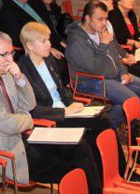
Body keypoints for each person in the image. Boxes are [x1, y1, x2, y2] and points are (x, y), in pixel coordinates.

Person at [0, 32, 102, 194]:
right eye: (4, 54)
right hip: (5, 152)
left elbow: (29, 104)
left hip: (23, 139)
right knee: (73, 168)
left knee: (80, 147)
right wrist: (27, 119)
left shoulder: (5, 74)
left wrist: (19, 77)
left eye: (11, 53)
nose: (10, 59)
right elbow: (8, 125)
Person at [17, 22, 131, 178]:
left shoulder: (48, 60)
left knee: (101, 123)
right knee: (100, 124)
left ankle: (117, 172)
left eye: (48, 39)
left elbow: (61, 90)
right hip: (52, 118)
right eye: (43, 41)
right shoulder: (23, 70)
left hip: (66, 110)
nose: (49, 44)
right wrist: (64, 111)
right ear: (30, 45)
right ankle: (116, 174)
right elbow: (32, 109)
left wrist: (73, 103)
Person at [66, 2, 140, 127]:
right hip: (89, 80)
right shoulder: (77, 40)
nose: (104, 23)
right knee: (131, 100)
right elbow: (94, 68)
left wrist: (123, 72)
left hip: (108, 75)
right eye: (100, 19)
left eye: (106, 19)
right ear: (88, 18)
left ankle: (110, 123)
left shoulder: (99, 31)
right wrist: (103, 45)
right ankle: (104, 128)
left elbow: (115, 54)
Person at [0, 0, 65, 59]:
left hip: (49, 42)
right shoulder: (8, 11)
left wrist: (58, 41)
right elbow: (19, 39)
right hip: (30, 51)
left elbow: (48, 25)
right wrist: (47, 48)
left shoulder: (33, 4)